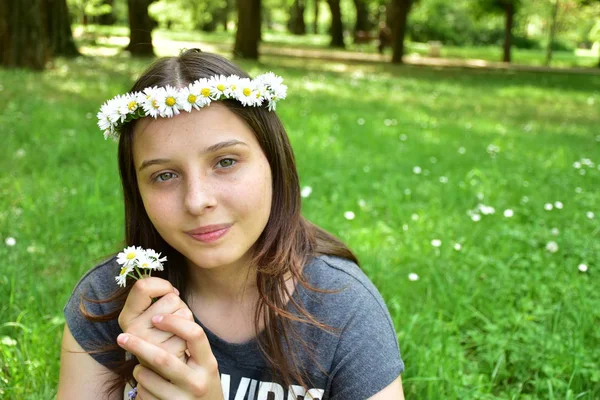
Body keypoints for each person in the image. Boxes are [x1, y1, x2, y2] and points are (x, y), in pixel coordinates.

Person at [57, 49, 405, 400]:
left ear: (274, 161)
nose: (196, 200)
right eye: (164, 175)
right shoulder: (107, 302)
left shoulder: (341, 310)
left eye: (225, 161)